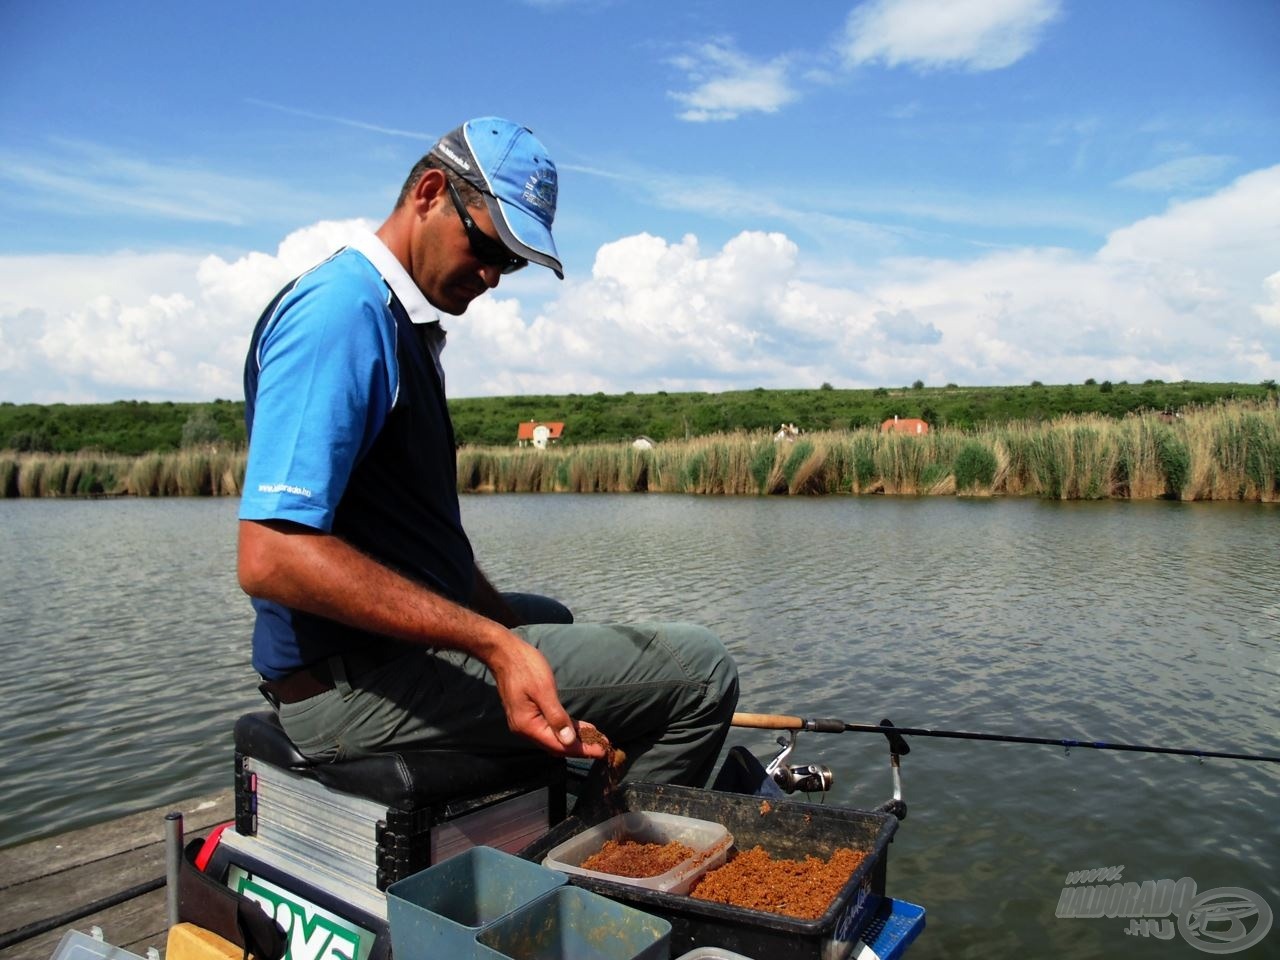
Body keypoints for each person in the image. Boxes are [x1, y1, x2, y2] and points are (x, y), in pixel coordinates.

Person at [237, 117, 739, 786]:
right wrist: (496, 646)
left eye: (511, 262)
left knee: (547, 620)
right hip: (350, 689)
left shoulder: (395, 322)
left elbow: (417, 540)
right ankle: (623, 862)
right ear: (431, 192)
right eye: (488, 246)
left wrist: (508, 629)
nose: (494, 276)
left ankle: (587, 790)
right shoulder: (340, 315)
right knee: (703, 671)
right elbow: (271, 557)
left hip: (384, 658)